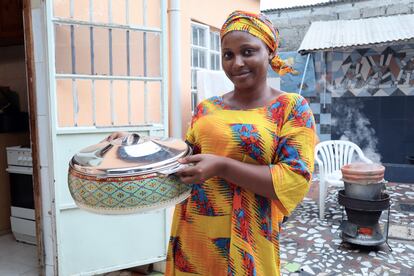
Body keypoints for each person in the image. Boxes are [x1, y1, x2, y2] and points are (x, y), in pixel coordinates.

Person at [164, 10, 317, 276]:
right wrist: (134, 148)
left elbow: (294, 179)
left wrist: (223, 167)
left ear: (269, 52)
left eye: (247, 52)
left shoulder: (291, 108)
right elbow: (184, 160)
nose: (236, 63)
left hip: (249, 239)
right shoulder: (207, 109)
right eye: (228, 54)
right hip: (195, 234)